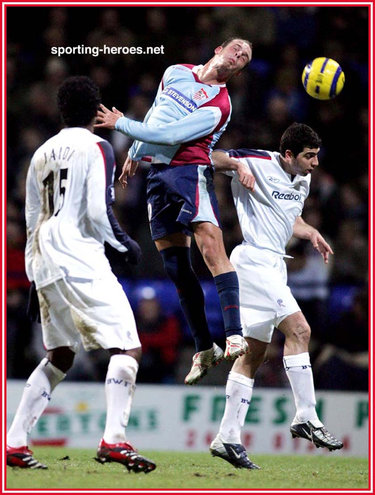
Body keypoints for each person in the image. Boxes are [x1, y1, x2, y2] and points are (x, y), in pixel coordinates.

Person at [6, 76, 156, 473]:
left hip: (44, 258)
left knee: (59, 355)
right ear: (95, 112)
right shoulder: (98, 146)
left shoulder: (40, 153)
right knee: (128, 346)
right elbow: (96, 210)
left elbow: (31, 219)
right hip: (79, 256)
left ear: (61, 111)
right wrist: (126, 244)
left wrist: (34, 275)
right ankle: (114, 440)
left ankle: (14, 444)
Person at [95, 38, 253, 385]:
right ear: (218, 50)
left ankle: (234, 333)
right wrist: (135, 150)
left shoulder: (220, 104)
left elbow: (170, 134)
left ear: (239, 69)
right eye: (236, 48)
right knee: (176, 267)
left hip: (188, 171)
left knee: (211, 247)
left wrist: (122, 123)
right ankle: (203, 348)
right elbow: (157, 114)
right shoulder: (175, 71)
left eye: (244, 57)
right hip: (158, 175)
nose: (239, 55)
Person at [208, 123, 343, 470]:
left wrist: (309, 230)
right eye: (309, 156)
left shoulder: (304, 178)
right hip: (253, 260)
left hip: (274, 264)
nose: (314, 163)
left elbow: (289, 217)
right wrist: (237, 166)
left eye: (316, 156)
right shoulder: (257, 160)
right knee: (300, 331)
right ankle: (306, 416)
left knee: (253, 353)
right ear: (288, 155)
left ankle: (228, 436)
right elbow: (211, 157)